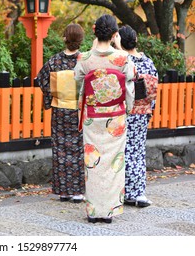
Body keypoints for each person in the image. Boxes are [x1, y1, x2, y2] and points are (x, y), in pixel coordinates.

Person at [74, 14, 136, 223]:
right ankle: (108, 211)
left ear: (95, 31)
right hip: (116, 117)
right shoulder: (122, 58)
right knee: (112, 164)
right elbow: (130, 81)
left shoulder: (84, 58)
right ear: (114, 34)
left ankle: (93, 211)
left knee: (93, 163)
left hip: (93, 116)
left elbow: (77, 80)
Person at [36, 23, 85, 203]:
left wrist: (51, 97)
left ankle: (64, 190)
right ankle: (78, 191)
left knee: (61, 149)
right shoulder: (84, 60)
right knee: (78, 149)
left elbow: (41, 80)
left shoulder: (55, 61)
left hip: (60, 110)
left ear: (65, 38)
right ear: (80, 40)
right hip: (79, 111)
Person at [118, 25, 158, 207]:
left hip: (127, 110)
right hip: (143, 111)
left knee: (125, 150)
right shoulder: (148, 62)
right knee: (138, 151)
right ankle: (139, 191)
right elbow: (153, 90)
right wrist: (150, 108)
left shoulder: (124, 62)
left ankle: (127, 192)